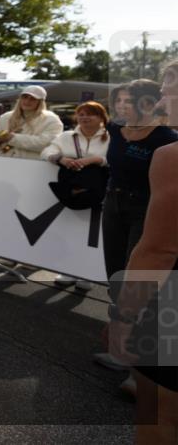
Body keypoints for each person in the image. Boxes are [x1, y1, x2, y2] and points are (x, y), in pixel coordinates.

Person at [108, 60, 178, 438]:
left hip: (170, 305)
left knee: (161, 417)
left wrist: (124, 317)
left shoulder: (171, 154)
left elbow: (158, 250)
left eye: (170, 83)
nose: (163, 93)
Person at [40, 101, 111, 291]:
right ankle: (68, 270)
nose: (84, 117)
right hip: (72, 192)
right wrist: (61, 159)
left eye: (90, 114)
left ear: (101, 117)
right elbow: (47, 151)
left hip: (99, 193)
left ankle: (87, 274)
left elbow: (117, 160)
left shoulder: (111, 137)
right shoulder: (66, 136)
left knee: (94, 235)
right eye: (81, 114)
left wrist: (97, 160)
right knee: (71, 232)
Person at [0, 85, 63, 159]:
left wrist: (12, 138)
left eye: (33, 99)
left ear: (40, 102)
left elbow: (47, 143)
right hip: (4, 160)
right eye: (24, 97)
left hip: (33, 164)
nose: (27, 101)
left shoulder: (51, 119)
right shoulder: (7, 116)